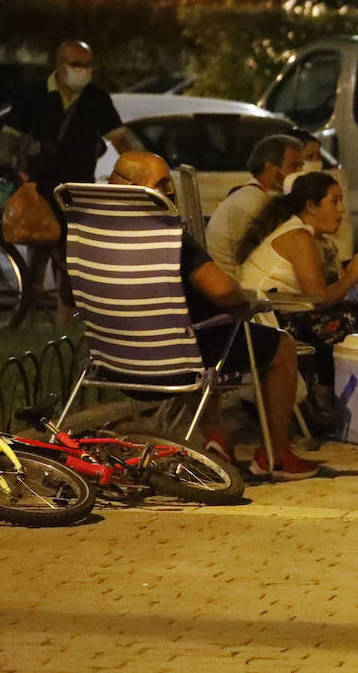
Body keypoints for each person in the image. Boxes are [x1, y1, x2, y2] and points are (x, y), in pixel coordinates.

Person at [108, 152, 318, 480]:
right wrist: (241, 300)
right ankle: (275, 455)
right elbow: (222, 290)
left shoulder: (94, 236)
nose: (172, 191)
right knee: (280, 347)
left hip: (113, 360)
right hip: (172, 361)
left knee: (198, 336)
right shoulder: (166, 235)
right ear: (132, 188)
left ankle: (216, 437)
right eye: (162, 184)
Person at [235, 171, 358, 422]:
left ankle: (346, 399)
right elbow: (320, 299)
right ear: (311, 206)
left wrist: (353, 272)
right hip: (267, 324)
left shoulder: (314, 238)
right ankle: (328, 402)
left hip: (281, 314)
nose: (341, 210)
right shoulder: (298, 237)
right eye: (334, 201)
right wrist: (355, 273)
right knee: (350, 318)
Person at [5, 40, 132, 320]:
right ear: (60, 65)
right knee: (36, 256)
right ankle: (27, 314)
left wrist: (137, 169)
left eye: (87, 65)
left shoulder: (97, 99)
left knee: (72, 260)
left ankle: (67, 321)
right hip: (38, 190)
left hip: (78, 191)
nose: (83, 71)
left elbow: (120, 139)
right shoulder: (35, 94)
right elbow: (10, 137)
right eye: (77, 65)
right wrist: (12, 171)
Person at [206, 134, 304, 277]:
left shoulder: (258, 196)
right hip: (237, 287)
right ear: (270, 167)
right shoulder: (250, 202)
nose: (300, 173)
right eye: (294, 166)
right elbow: (254, 261)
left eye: (301, 166)